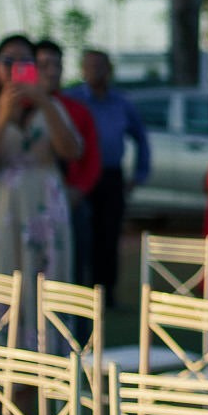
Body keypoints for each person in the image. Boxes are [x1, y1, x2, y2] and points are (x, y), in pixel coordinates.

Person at [0, 35, 83, 332]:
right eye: (7, 60)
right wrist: (2, 118)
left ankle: (44, 371)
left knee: (43, 292)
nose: (15, 67)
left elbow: (72, 151)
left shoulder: (51, 108)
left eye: (25, 61)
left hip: (44, 216)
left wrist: (44, 103)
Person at [65, 48, 150, 306]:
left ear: (109, 69)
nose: (96, 72)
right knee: (81, 234)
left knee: (109, 236)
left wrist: (139, 174)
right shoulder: (73, 100)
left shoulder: (122, 102)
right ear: (82, 69)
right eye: (90, 66)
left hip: (111, 177)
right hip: (80, 178)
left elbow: (141, 138)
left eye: (100, 66)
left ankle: (106, 294)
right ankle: (78, 291)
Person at [33, 40, 102, 286]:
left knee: (73, 272)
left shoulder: (76, 110)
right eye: (43, 65)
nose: (52, 71)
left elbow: (92, 159)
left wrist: (78, 191)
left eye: (57, 65)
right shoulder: (18, 112)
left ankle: (75, 324)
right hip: (30, 204)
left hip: (70, 202)